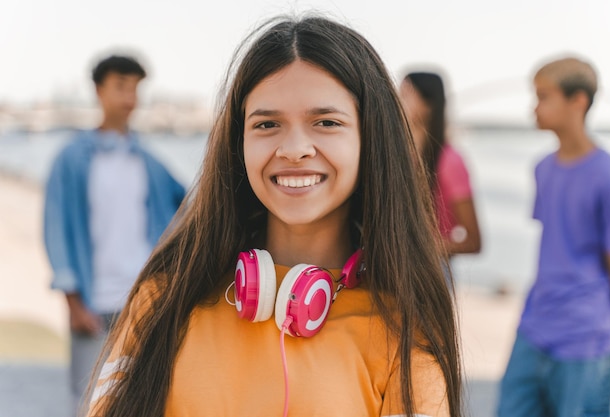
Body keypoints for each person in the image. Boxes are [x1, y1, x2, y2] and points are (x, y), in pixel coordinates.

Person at [86, 15, 462, 417]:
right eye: (266, 123)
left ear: (370, 139)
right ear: (238, 142)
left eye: (326, 122)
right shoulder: (162, 299)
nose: (294, 148)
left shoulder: (404, 328)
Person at [43, 54, 186, 416]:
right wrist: (73, 301)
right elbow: (56, 228)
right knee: (88, 402)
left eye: (136, 88)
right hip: (92, 303)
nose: (129, 98)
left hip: (144, 301)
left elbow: (192, 208)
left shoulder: (148, 162)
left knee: (144, 400)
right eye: (121, 86)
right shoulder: (72, 159)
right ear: (98, 90)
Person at [497, 56, 610, 416]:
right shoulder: (542, 168)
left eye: (543, 96)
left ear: (578, 101)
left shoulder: (609, 176)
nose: (533, 107)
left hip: (587, 334)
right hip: (535, 324)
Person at [399, 71, 481, 256]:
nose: (396, 101)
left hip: (429, 272)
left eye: (405, 94)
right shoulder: (394, 155)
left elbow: (474, 241)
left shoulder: (450, 160)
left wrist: (415, 249)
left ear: (429, 105)